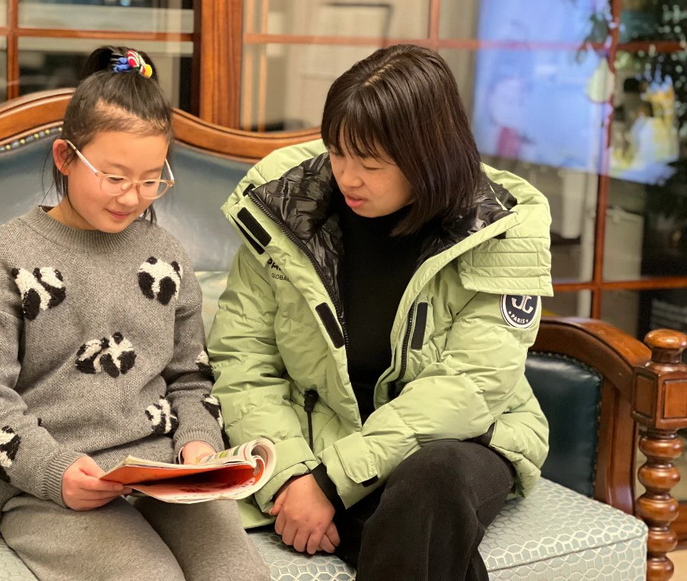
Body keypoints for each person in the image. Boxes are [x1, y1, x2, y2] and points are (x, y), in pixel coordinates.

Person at [207, 44, 552, 581]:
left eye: (370, 164)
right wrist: (293, 478)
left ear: (428, 156)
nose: (348, 177)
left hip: (465, 441)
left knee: (432, 478)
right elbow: (244, 361)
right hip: (320, 438)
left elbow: (471, 384)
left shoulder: (501, 224)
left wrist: (331, 485)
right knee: (413, 528)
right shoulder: (283, 208)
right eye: (337, 153)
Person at [0, 46, 269, 581]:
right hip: (48, 481)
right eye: (115, 177)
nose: (132, 197)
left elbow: (191, 377)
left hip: (161, 473)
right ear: (65, 157)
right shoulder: (8, 253)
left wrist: (199, 445)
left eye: (151, 180)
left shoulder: (165, 254)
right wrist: (54, 472)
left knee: (241, 576)